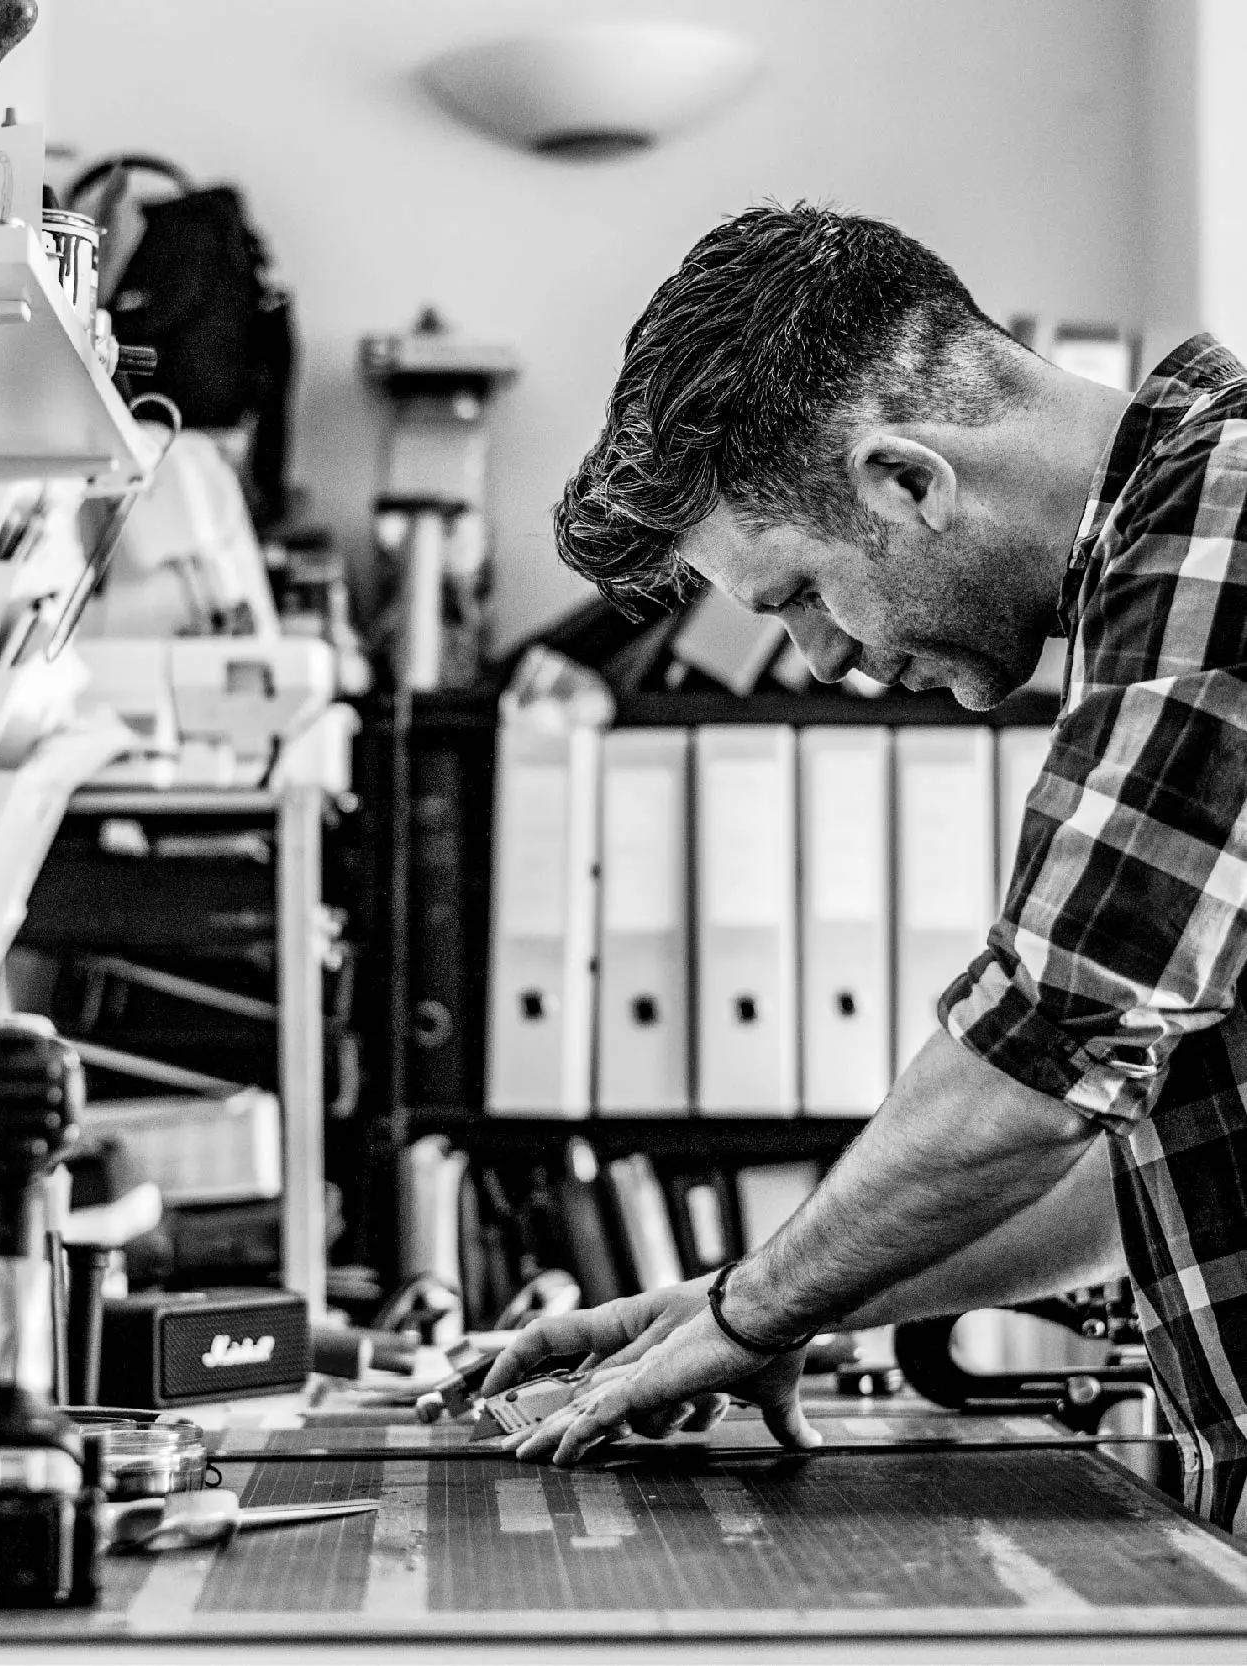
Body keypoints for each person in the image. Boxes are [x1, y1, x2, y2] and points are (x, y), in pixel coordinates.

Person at [481, 203, 1247, 1534]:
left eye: (798, 597)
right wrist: (781, 1294)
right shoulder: (1164, 552)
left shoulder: (1223, 522)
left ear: (907, 480)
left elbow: (1046, 1058)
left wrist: (756, 1303)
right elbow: (1129, 1140)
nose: (820, 661)